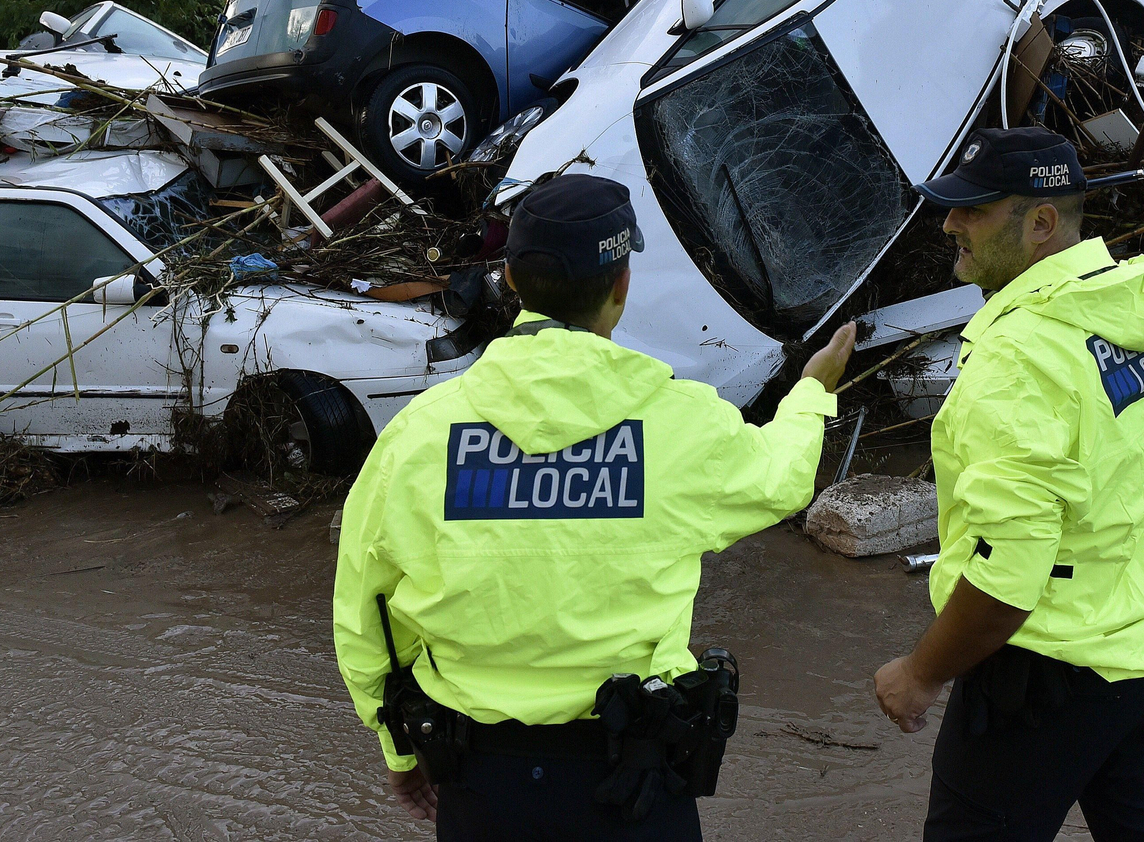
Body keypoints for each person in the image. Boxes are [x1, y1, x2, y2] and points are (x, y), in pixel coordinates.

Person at [333, 173, 856, 840]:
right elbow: (782, 478)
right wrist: (810, 393)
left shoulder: (419, 434)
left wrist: (402, 747)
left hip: (480, 785)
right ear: (621, 284)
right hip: (633, 785)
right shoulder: (678, 422)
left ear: (512, 281)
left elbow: (365, 609)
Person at [872, 126, 1144, 842]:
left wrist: (921, 670)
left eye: (971, 210)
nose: (950, 225)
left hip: (1040, 680)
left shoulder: (1018, 362)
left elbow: (1009, 574)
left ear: (1039, 223)